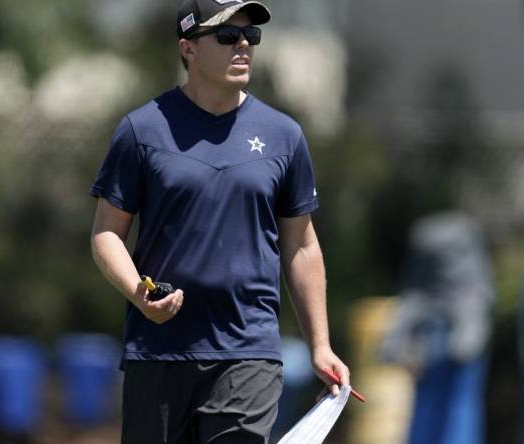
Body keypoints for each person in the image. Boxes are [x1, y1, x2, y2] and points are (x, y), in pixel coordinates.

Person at [89, 1, 349, 442]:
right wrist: (138, 292)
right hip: (159, 352)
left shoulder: (283, 135)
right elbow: (106, 233)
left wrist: (319, 344)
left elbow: (302, 247)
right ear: (188, 48)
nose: (244, 46)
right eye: (228, 37)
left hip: (248, 351)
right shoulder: (142, 130)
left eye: (251, 36)